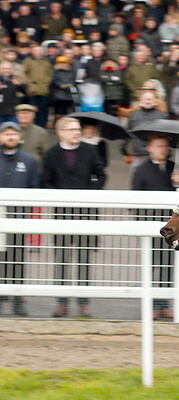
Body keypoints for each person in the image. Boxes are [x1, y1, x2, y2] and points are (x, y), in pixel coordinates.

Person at [42, 117, 107, 318]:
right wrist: (61, 196)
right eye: (71, 129)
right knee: (61, 259)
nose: (77, 132)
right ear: (60, 132)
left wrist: (89, 193)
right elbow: (45, 181)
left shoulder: (89, 150)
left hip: (86, 214)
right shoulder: (51, 154)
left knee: (84, 259)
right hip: (61, 214)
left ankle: (83, 303)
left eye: (78, 129)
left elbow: (102, 174)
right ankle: (62, 302)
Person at [132, 134, 179, 320]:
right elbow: (135, 199)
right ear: (149, 148)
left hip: (171, 226)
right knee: (152, 266)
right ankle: (152, 305)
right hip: (151, 225)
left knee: (168, 266)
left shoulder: (173, 168)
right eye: (159, 146)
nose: (163, 149)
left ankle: (164, 305)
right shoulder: (141, 170)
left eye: (165, 146)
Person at [0, 121, 39, 317]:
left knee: (17, 259)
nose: (10, 137)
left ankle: (17, 302)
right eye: (6, 133)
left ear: (19, 136)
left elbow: (34, 189)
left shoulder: (29, 161)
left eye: (13, 133)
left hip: (18, 217)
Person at [15, 103, 52, 173]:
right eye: (22, 113)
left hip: (34, 170)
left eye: (27, 113)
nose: (24, 116)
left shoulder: (41, 133)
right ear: (17, 115)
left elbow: (46, 155)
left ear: (33, 116)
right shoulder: (11, 131)